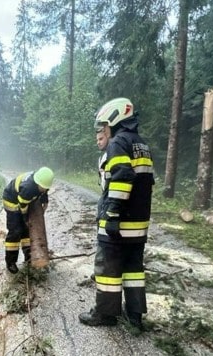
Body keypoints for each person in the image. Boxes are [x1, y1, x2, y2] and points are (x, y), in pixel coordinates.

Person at [79, 98, 154, 332]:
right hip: (138, 224)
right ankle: (135, 316)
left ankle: (106, 313)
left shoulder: (118, 143)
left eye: (104, 125)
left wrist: (112, 213)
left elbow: (122, 178)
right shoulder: (141, 144)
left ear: (114, 119)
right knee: (133, 270)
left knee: (108, 270)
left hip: (118, 223)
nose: (103, 130)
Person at [2, 167, 54, 274]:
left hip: (23, 202)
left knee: (26, 231)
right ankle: (10, 262)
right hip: (13, 202)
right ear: (37, 182)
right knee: (15, 231)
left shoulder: (41, 180)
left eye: (46, 188)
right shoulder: (28, 188)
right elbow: (23, 206)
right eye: (43, 188)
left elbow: (44, 192)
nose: (44, 190)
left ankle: (29, 257)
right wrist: (25, 219)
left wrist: (45, 201)